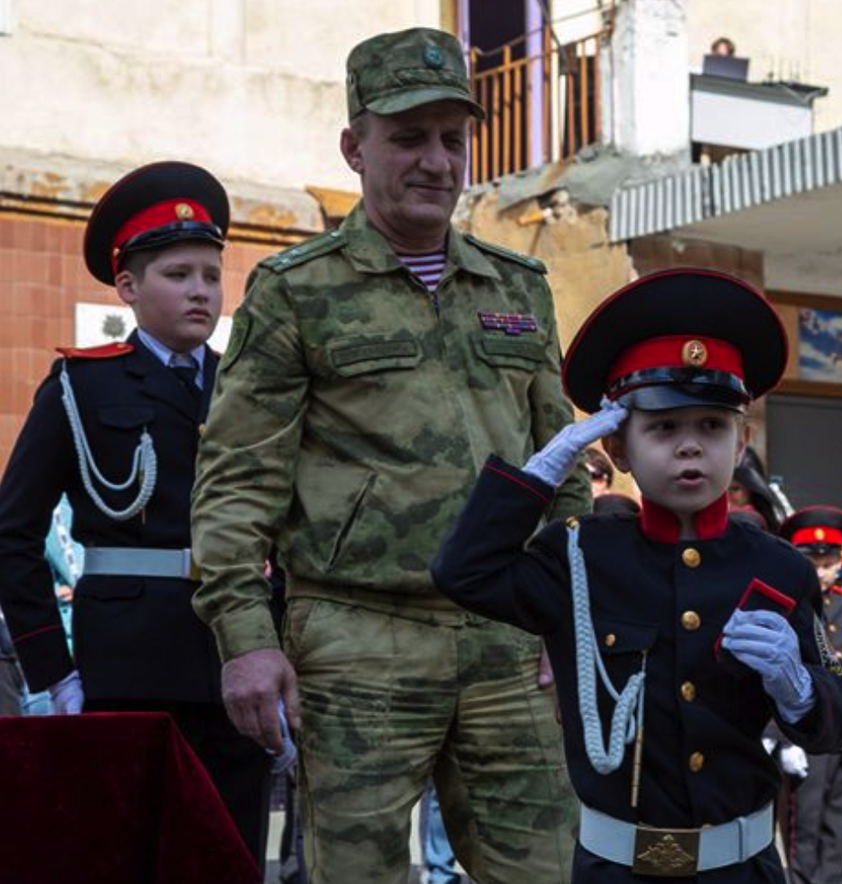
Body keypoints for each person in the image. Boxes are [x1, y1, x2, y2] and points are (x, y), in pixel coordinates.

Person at [190, 28, 588, 884]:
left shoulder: (517, 288)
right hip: (354, 641)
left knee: (553, 872)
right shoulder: (297, 289)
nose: (436, 162)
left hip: (509, 641)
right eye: (408, 138)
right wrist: (245, 640)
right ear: (354, 146)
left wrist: (576, 618)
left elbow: (563, 463)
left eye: (453, 139)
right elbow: (234, 481)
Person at [431, 268, 842, 882]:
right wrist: (539, 473)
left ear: (741, 443)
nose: (690, 447)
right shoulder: (580, 556)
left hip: (742, 868)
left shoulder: (778, 566)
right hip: (616, 868)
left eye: (712, 427)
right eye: (663, 427)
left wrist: (797, 688)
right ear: (618, 449)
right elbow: (463, 573)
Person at [0, 162, 272, 860]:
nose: (201, 292)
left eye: (212, 275)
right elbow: (13, 533)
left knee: (232, 852)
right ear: (128, 287)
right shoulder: (81, 384)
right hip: (126, 662)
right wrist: (51, 672)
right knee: (128, 854)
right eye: (179, 274)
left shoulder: (248, 387)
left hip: (237, 654)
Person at [775, 506, 842, 884]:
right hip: (806, 733)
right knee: (805, 822)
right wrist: (781, 739)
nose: (820, 571)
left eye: (828, 562)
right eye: (812, 562)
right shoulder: (788, 607)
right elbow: (774, 675)